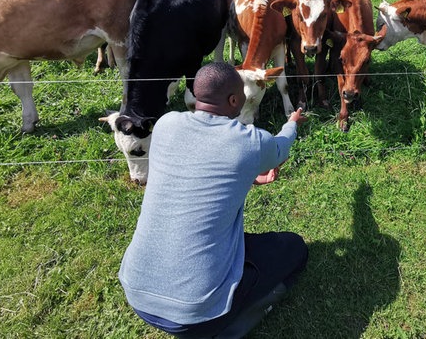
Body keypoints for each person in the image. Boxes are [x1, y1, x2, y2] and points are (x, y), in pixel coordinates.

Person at [119, 62, 308, 338]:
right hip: (194, 313)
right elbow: (281, 148)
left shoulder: (166, 124)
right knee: (295, 249)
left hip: (136, 290)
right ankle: (230, 328)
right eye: (243, 96)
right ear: (234, 100)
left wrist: (245, 176)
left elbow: (192, 166)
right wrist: (291, 124)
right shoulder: (249, 142)